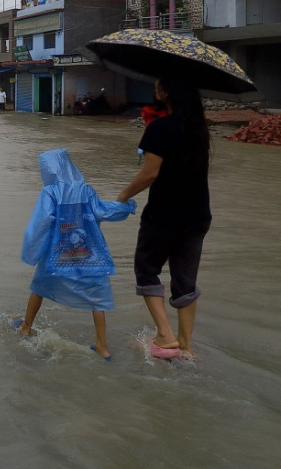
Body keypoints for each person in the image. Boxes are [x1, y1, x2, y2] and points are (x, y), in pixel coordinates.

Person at [117, 76, 212, 360]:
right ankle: (186, 346)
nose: (154, 89)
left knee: (146, 269)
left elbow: (150, 173)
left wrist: (123, 196)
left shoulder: (159, 128)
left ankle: (165, 335)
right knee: (185, 280)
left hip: (164, 215)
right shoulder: (199, 129)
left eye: (158, 85)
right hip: (198, 216)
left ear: (167, 92)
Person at [16, 148, 137, 359]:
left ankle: (26, 327)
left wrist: (31, 251)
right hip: (88, 254)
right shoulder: (86, 191)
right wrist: (124, 207)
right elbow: (102, 211)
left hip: (57, 254)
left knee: (38, 287)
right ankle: (102, 345)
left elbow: (41, 224)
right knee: (97, 297)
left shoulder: (50, 192)